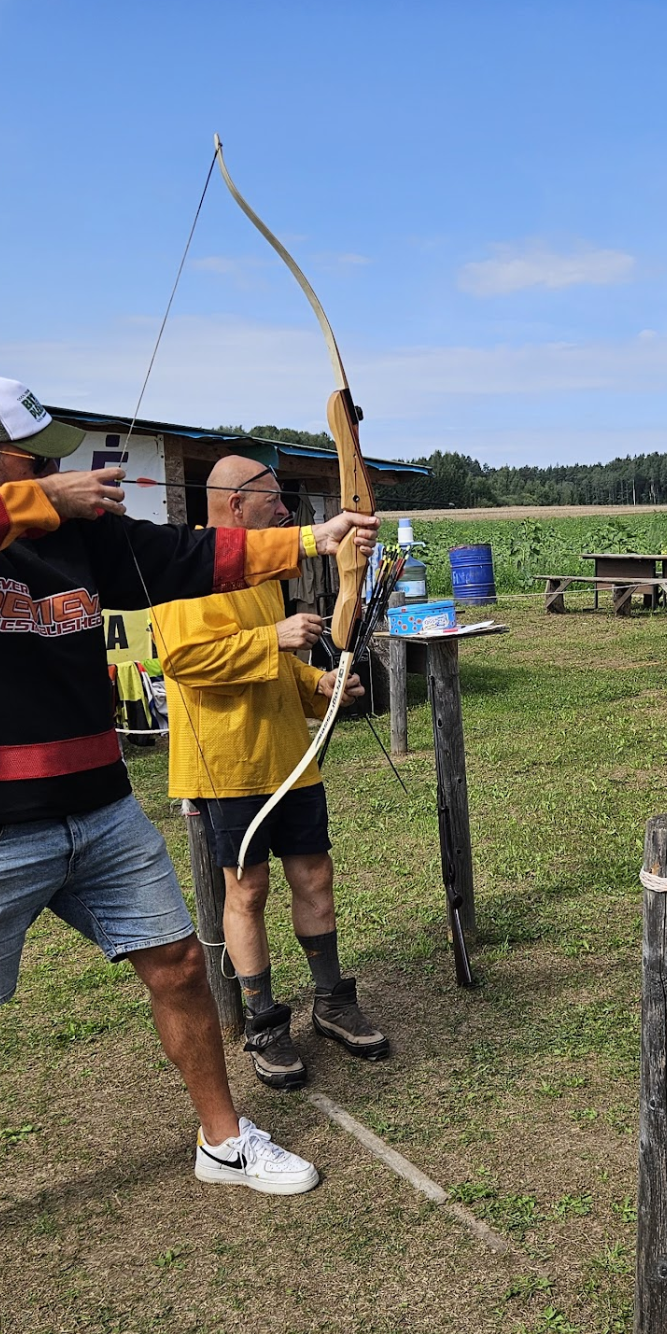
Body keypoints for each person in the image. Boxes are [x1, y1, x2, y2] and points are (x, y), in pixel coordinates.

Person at [0, 377, 375, 1325]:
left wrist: (313, 540)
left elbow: (193, 553)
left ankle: (221, 1140)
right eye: (34, 459)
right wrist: (42, 499)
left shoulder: (80, 540)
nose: (56, 471)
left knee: (178, 966)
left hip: (98, 810)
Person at [156, 456, 389, 1092]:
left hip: (290, 756)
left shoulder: (258, 564)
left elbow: (284, 663)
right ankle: (264, 1022)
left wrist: (322, 684)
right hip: (225, 763)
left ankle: (333, 1001)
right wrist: (277, 638)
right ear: (236, 504)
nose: (284, 511)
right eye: (273, 500)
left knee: (315, 876)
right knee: (247, 890)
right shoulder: (182, 566)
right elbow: (182, 659)